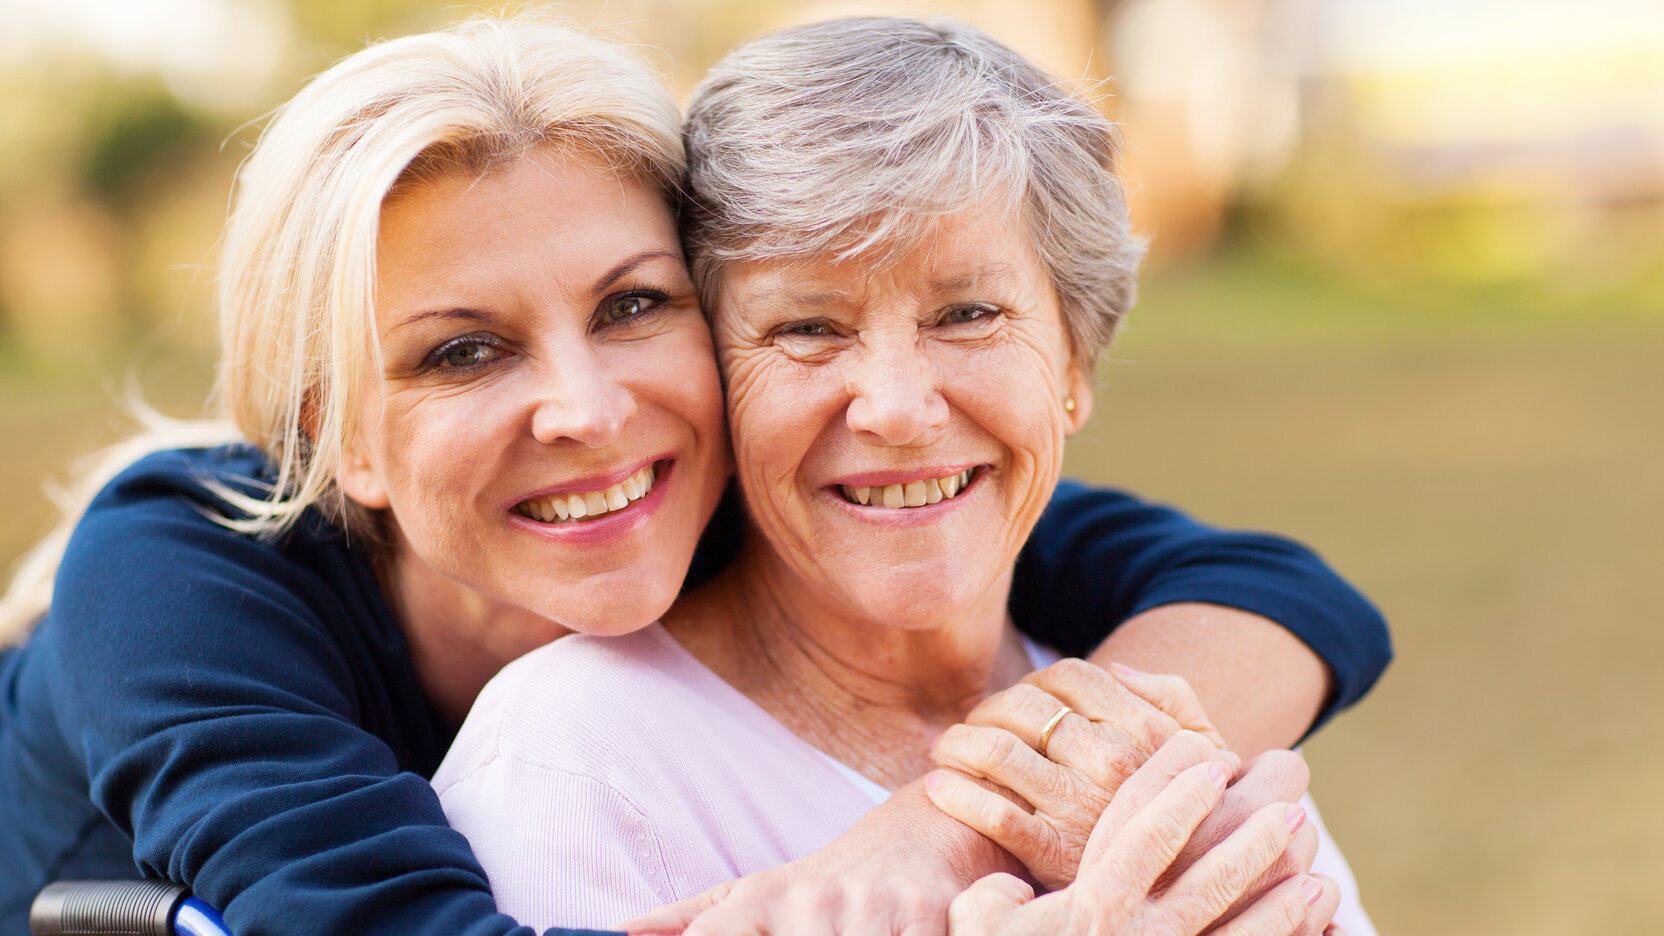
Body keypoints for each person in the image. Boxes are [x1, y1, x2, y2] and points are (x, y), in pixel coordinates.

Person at [0, 15, 1389, 936]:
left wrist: (938, 827)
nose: (589, 412)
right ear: (342, 437)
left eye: (630, 307)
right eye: (465, 352)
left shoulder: (739, 493)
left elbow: (1272, 590)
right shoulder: (174, 586)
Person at [432, 15, 1371, 936]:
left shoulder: (1159, 718)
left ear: (1076, 367)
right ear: (717, 382)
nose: (896, 407)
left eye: (967, 314)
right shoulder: (574, 760)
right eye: (808, 328)